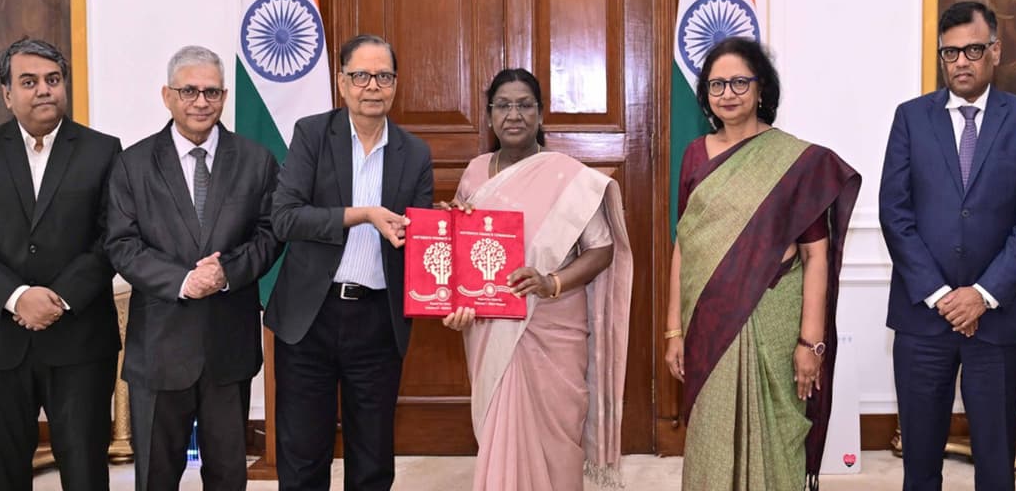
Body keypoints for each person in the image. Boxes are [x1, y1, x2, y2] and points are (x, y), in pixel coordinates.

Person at [664, 37, 860, 491]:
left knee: (776, 438)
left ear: (761, 88)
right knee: (711, 436)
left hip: (773, 321)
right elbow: (684, 246)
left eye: (739, 82)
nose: (727, 94)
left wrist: (810, 343)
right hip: (709, 322)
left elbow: (815, 254)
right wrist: (673, 330)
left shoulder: (795, 162)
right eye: (716, 85)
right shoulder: (695, 155)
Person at [880, 1, 1016, 491]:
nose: (961, 61)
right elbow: (895, 213)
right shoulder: (911, 118)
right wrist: (942, 296)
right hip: (922, 318)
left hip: (997, 321)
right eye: (950, 52)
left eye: (973, 50)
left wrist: (981, 294)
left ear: (995, 51)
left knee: (997, 465)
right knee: (919, 464)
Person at [439, 68, 632, 490]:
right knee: (501, 429)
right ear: (489, 115)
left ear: (541, 114)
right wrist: (447, 223)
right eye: (503, 106)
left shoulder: (568, 175)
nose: (514, 115)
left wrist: (551, 282)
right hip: (492, 326)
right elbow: (458, 247)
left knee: (557, 437)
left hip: (555, 323)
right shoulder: (475, 172)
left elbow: (601, 249)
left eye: (525, 105)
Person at [0, 38, 121, 490]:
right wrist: (18, 297)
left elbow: (113, 240)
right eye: (29, 82)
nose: (44, 89)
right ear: (7, 94)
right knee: (4, 474)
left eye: (52, 79)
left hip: (80, 342)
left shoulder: (103, 151)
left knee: (86, 473)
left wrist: (58, 298)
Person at [105, 46, 281, 490]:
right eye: (189, 91)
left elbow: (270, 235)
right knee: (156, 477)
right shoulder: (133, 163)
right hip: (159, 349)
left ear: (224, 97)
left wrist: (226, 273)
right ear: (167, 95)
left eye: (212, 92)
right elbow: (122, 245)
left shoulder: (256, 160)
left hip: (228, 347)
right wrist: (184, 280)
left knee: (227, 476)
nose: (201, 101)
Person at [264, 34, 434, 490]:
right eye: (361, 76)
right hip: (310, 317)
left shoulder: (414, 153)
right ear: (341, 83)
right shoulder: (312, 134)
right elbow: (285, 217)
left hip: (378, 321)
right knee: (303, 458)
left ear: (395, 84)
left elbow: (419, 237)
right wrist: (362, 215)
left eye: (383, 76)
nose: (372, 86)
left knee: (372, 460)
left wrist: (448, 229)